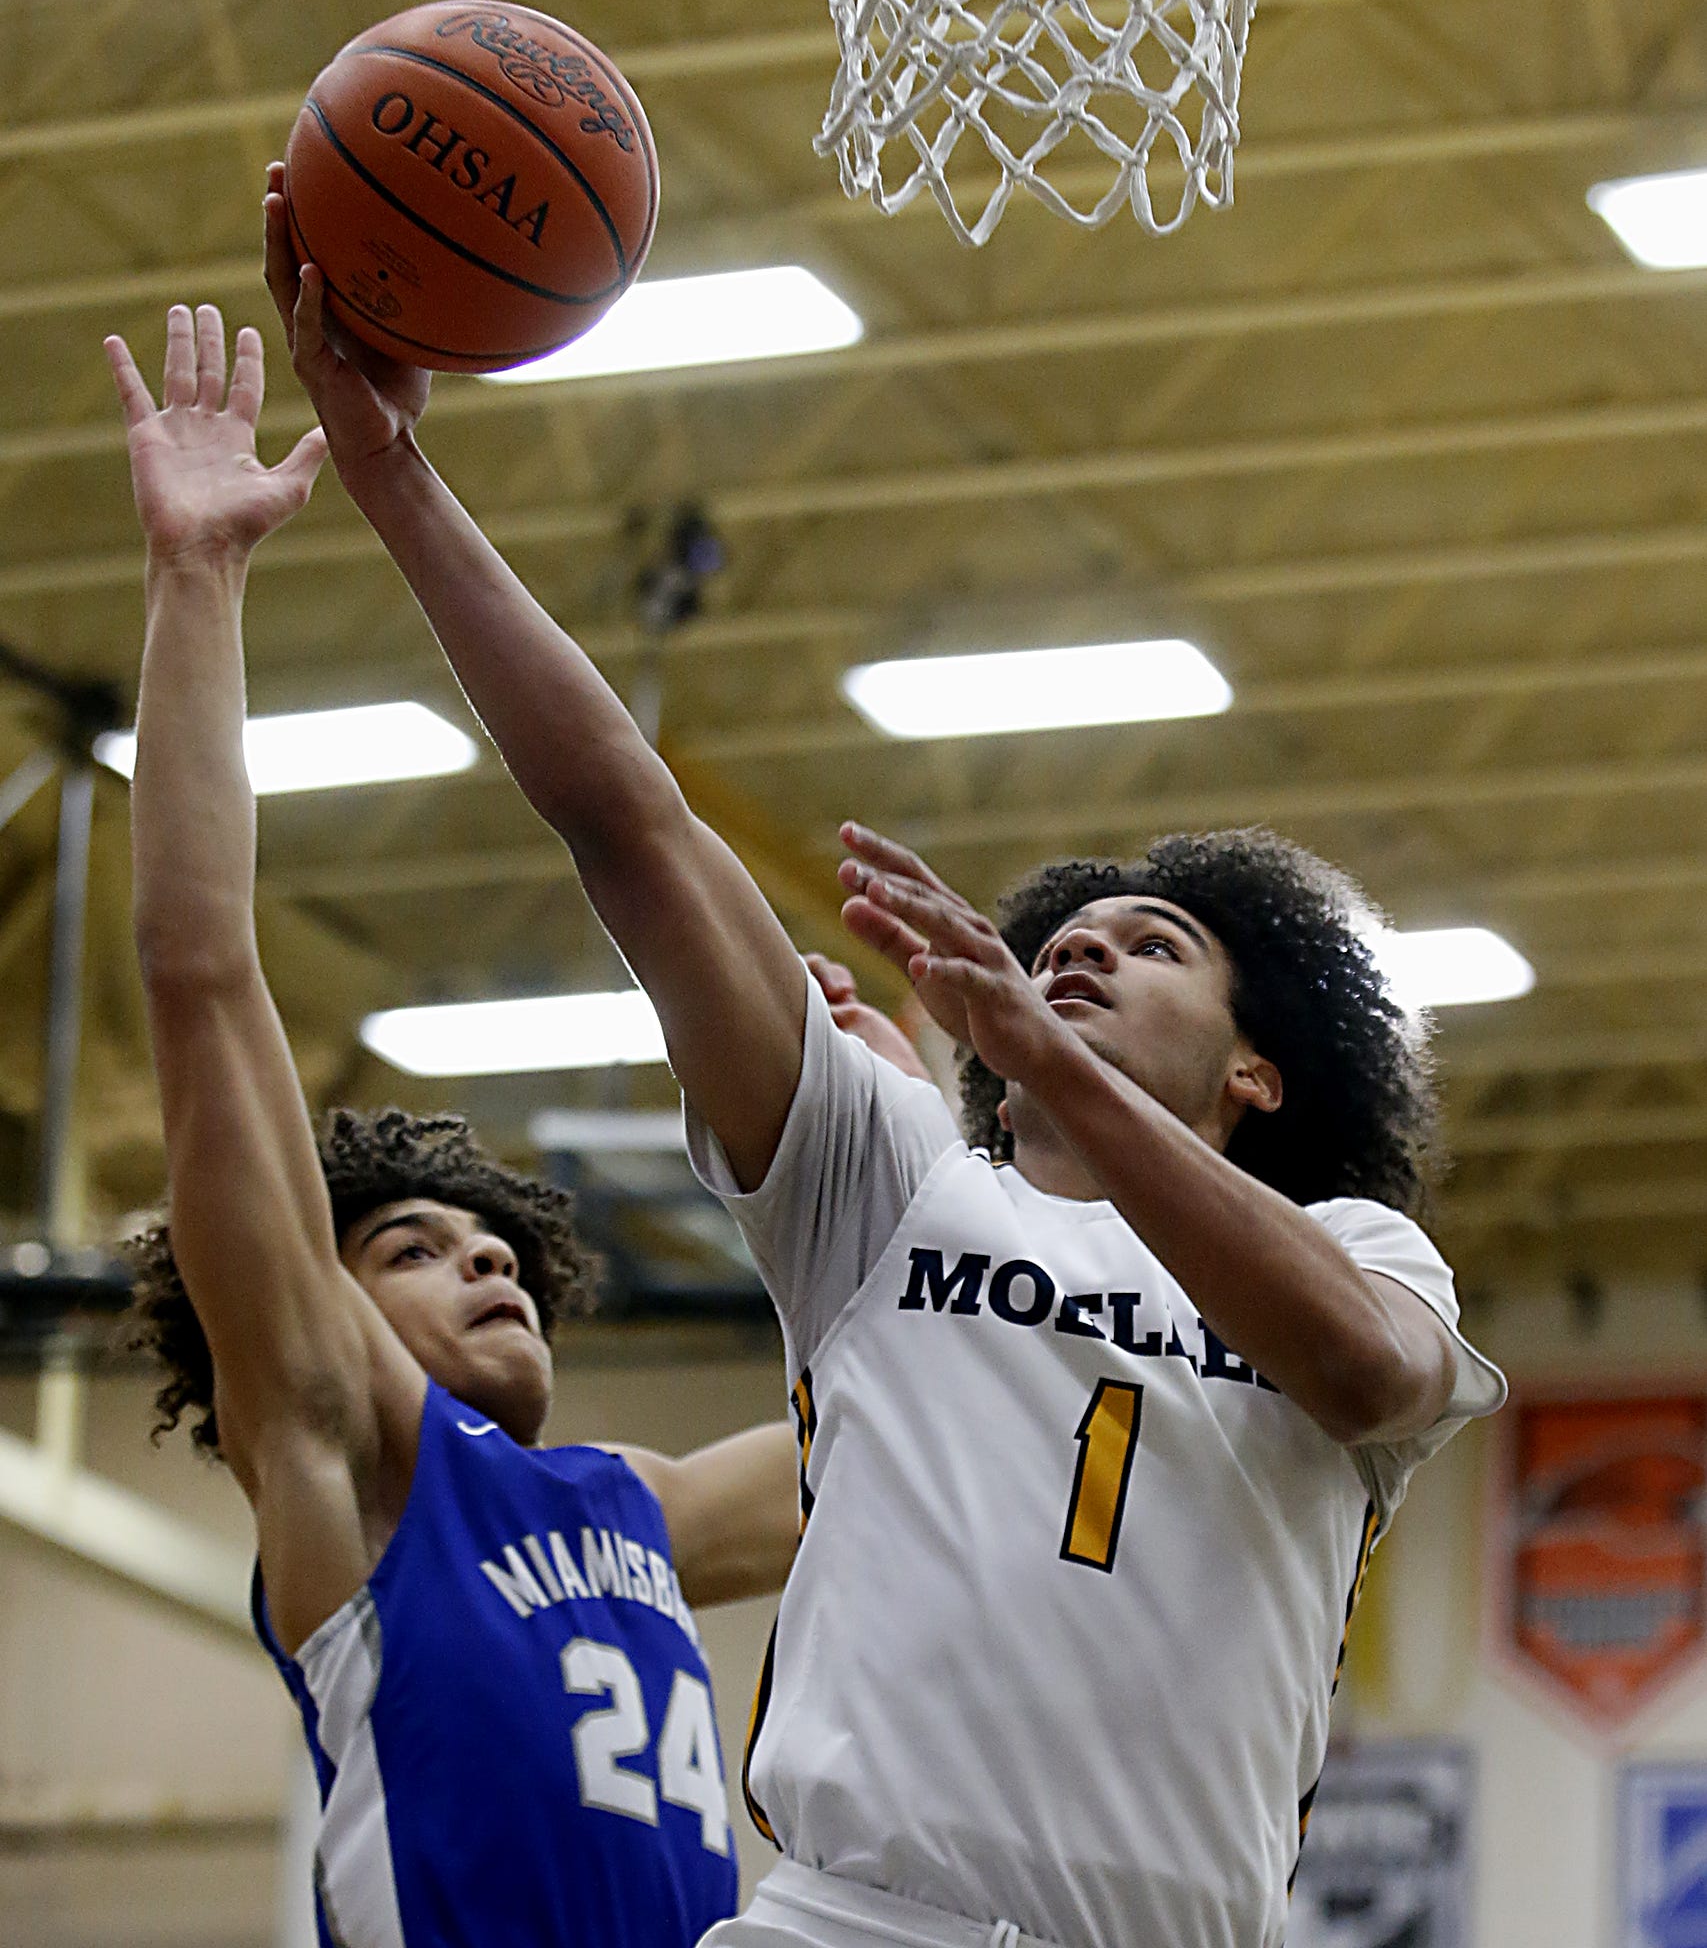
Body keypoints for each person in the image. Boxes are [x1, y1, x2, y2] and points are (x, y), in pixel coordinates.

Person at [263, 175, 1507, 1948]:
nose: (1080, 950)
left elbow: (1375, 1378)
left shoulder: (1371, 1261)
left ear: (1262, 1076)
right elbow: (626, 819)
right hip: (854, 1921)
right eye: (1065, 937)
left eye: (1154, 948)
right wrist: (391, 473)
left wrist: (1038, 1063)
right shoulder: (896, 1184)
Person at [105, 303, 805, 1948]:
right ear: (327, 1304)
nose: (488, 1265)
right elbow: (202, 976)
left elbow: (915, 1407)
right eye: (415, 1249)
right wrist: (195, 578)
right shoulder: (332, 1461)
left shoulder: (633, 1502)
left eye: (498, 1250)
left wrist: (969, 1153)